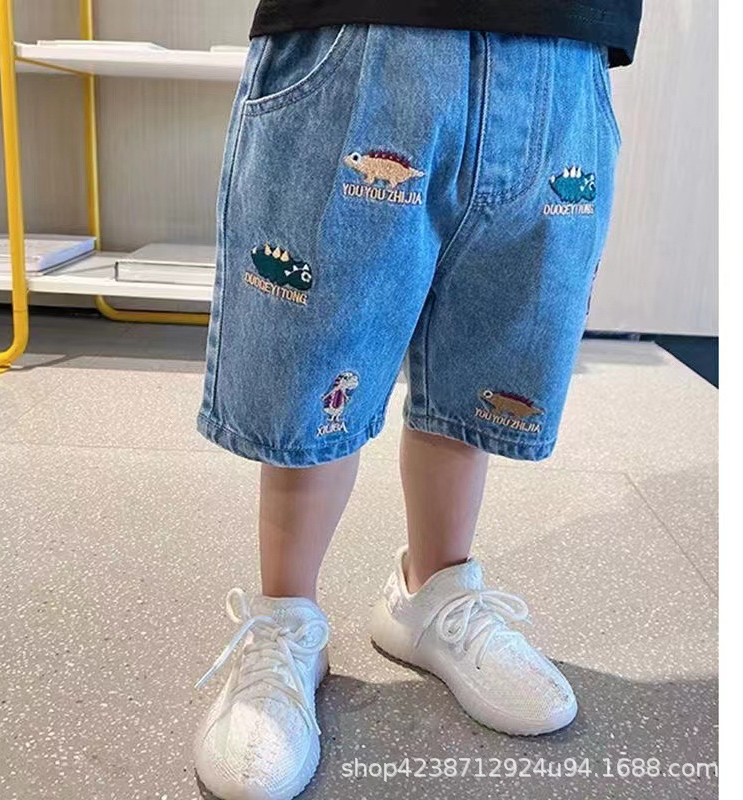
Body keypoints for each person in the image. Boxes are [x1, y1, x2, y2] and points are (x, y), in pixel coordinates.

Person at [193, 1, 642, 797]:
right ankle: (285, 618)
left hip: (563, 47)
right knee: (318, 364)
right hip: (365, 35)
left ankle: (432, 594)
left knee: (484, 366)